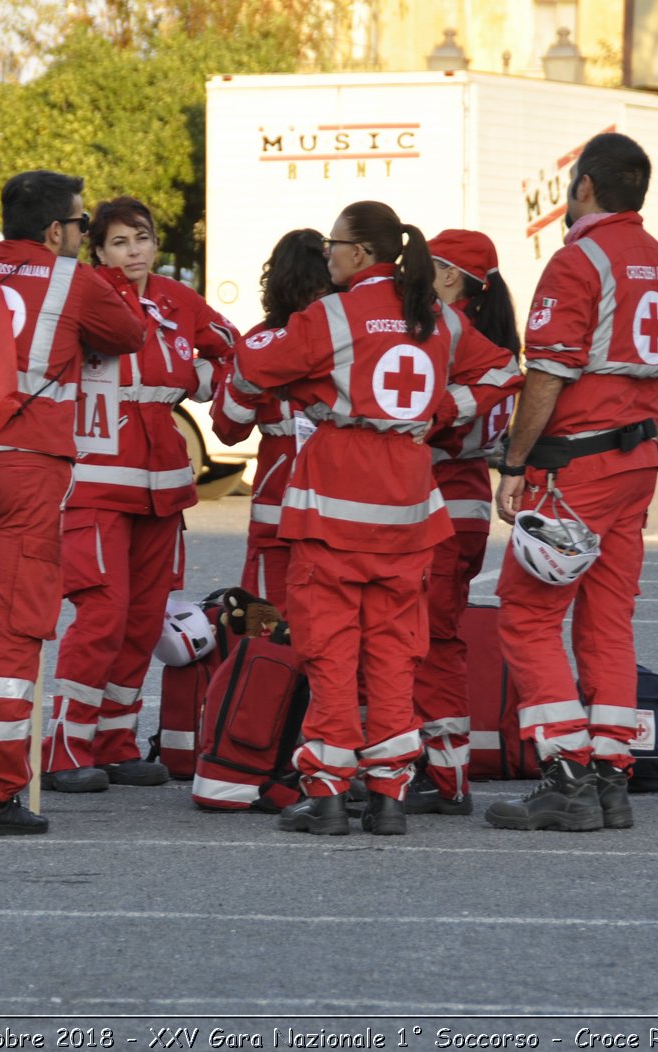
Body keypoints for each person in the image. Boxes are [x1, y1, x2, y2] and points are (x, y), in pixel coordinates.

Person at [229, 200, 514, 837]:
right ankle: (389, 796)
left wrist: (312, 392)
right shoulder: (435, 315)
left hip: (333, 506)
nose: (327, 254)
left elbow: (253, 370)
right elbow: (504, 368)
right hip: (408, 507)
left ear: (358, 253)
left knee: (329, 652)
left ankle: (327, 792)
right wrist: (441, 411)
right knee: (394, 655)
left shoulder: (332, 314)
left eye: (334, 244)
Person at [0, 171, 143, 836]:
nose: (82, 235)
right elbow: (126, 334)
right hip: (26, 466)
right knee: (12, 632)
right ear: (55, 231)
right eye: (79, 225)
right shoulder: (77, 282)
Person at [484, 132, 658, 833]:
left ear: (583, 188)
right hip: (635, 463)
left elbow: (547, 373)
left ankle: (566, 776)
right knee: (608, 620)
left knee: (528, 612)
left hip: (575, 464)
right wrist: (647, 454)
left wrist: (515, 463)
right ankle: (611, 774)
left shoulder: (578, 262)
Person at [43, 196, 239, 793]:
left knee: (143, 617)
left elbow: (231, 345)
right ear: (98, 249)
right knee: (102, 613)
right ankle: (64, 746)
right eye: (120, 242)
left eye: (143, 239)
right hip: (96, 484)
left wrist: (205, 377)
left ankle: (116, 741)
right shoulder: (81, 292)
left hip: (163, 485)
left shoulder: (178, 300)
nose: (134, 252)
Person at [406, 229, 522, 816]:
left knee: (427, 642)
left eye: (423, 265)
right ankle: (441, 765)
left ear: (448, 275)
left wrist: (436, 413)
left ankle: (443, 771)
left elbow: (429, 418)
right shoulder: (494, 338)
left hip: (439, 499)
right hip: (468, 500)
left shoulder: (450, 337)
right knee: (437, 637)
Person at [211, 228, 333, 610]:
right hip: (275, 518)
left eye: (326, 290)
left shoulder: (349, 340)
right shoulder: (259, 343)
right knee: (265, 631)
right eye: (310, 290)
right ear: (288, 289)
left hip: (336, 515)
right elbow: (228, 429)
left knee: (332, 635)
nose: (319, 300)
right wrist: (252, 384)